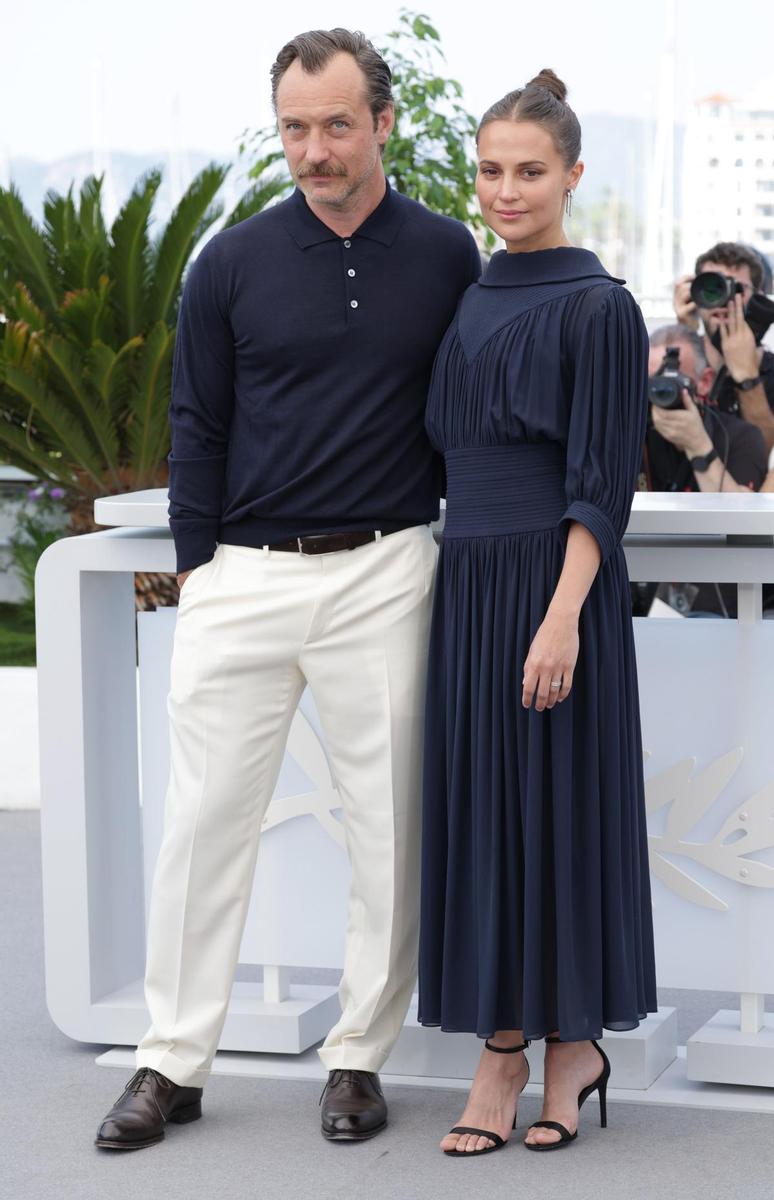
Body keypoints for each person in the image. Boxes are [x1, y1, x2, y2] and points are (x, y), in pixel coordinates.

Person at [95, 27, 480, 1151]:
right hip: (245, 578)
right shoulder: (230, 261)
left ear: (384, 124)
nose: (313, 150)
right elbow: (197, 424)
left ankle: (358, 1056)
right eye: (295, 128)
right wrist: (201, 571)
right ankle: (172, 1060)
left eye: (335, 125)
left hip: (387, 569)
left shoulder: (448, 254)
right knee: (203, 825)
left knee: (387, 829)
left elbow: (470, 408)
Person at [417, 69, 657, 1156]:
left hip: (555, 589)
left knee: (556, 817)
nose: (505, 191)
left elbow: (602, 482)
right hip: (466, 582)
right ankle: (502, 1046)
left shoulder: (601, 304)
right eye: (490, 170)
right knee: (484, 818)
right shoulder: (471, 291)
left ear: (570, 176)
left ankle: (569, 1048)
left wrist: (562, 617)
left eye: (528, 171)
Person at [635, 324, 767, 618]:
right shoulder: (631, 436)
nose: (661, 390)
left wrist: (698, 446)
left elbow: (743, 525)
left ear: (704, 381)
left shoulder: (739, 437)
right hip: (641, 591)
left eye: (672, 379)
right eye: (652, 381)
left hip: (716, 601)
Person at [673, 242, 774, 451]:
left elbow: (762, 455)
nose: (722, 301)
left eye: (736, 289)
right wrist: (684, 336)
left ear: (758, 298)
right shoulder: (679, 355)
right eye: (712, 288)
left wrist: (747, 377)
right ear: (695, 294)